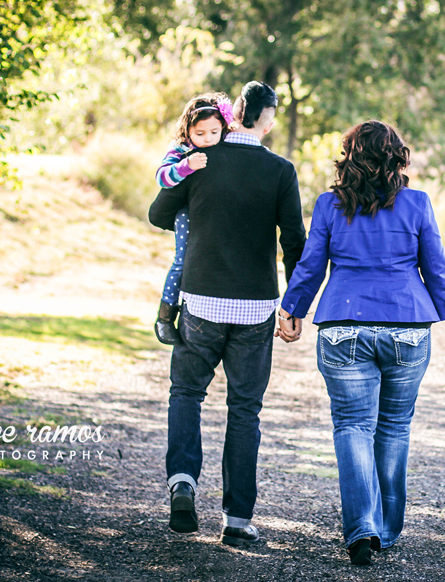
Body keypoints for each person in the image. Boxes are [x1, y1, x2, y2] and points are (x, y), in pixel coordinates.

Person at [277, 120, 445, 566]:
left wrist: (293, 311)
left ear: (349, 157)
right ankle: (385, 528)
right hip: (406, 325)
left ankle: (360, 529)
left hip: (344, 326)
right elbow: (436, 267)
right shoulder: (418, 204)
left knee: (352, 426)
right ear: (396, 157)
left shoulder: (329, 205)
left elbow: (310, 266)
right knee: (395, 427)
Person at [148, 81, 306, 546]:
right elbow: (293, 242)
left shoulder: (198, 161)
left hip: (200, 301)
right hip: (257, 307)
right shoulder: (280, 170)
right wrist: (294, 307)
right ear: (268, 118)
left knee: (187, 393)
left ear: (235, 113)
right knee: (244, 410)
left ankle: (182, 482)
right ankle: (236, 520)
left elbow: (159, 215)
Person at [153, 92, 234, 345]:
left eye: (213, 132)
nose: (207, 139)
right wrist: (186, 165)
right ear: (188, 130)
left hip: (217, 212)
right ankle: (165, 316)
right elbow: (162, 177)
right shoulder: (181, 149)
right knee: (183, 259)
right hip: (187, 211)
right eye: (200, 134)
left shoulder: (228, 145)